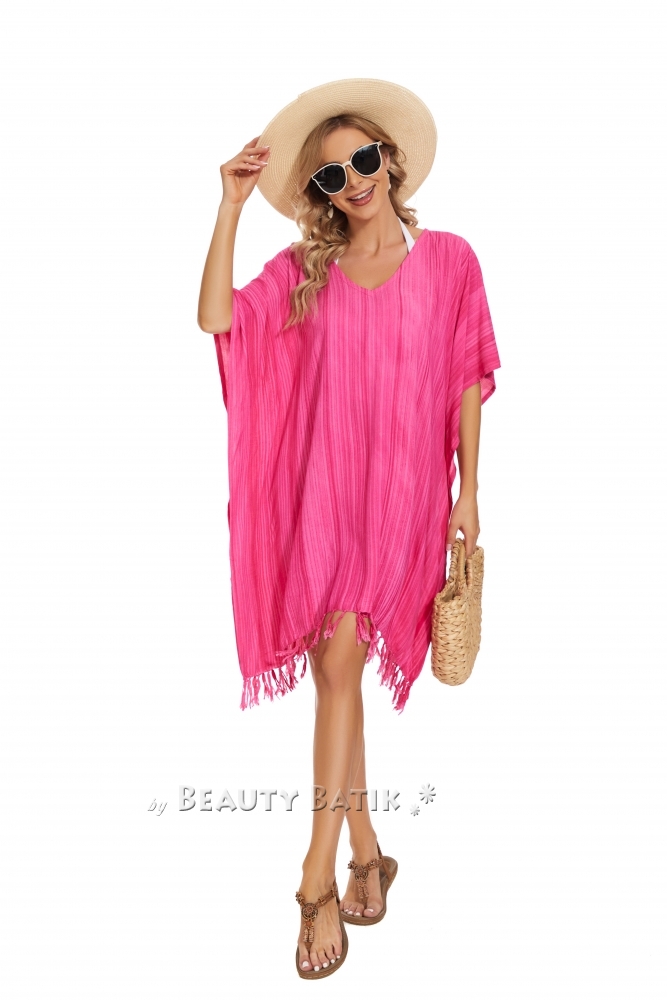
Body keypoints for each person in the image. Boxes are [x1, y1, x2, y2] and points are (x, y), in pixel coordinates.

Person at [197, 79, 501, 979]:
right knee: (337, 667)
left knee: (340, 669)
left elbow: (466, 378)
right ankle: (349, 858)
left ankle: (325, 872)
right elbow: (217, 318)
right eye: (331, 173)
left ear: (390, 160)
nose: (352, 179)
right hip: (327, 498)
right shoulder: (306, 270)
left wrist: (469, 492)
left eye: (362, 159)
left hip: (404, 499)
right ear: (320, 191)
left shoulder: (449, 260)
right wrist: (230, 206)